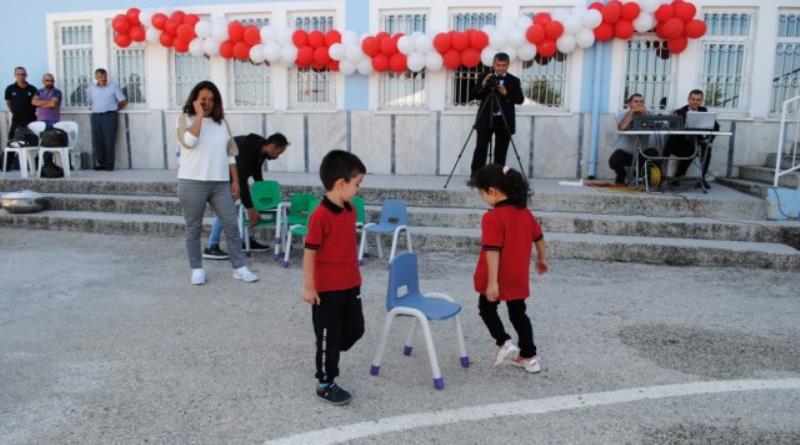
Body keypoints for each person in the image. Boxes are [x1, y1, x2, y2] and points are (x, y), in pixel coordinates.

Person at [468, 164, 549, 373]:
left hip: (495, 274)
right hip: (517, 274)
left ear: (492, 191)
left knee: (486, 309)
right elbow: (539, 239)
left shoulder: (492, 217)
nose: (483, 197)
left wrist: (493, 282)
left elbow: (492, 250)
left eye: (482, 193)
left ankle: (504, 342)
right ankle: (530, 357)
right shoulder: (526, 214)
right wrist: (541, 259)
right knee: (518, 314)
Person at [176, 80, 258, 285]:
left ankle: (239, 267)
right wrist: (199, 118)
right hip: (192, 181)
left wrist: (236, 181)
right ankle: (197, 268)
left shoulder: (222, 123)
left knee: (231, 223)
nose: (207, 103)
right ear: (195, 99)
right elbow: (190, 141)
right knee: (193, 227)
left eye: (212, 100)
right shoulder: (185, 119)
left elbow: (231, 153)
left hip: (220, 183)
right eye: (203, 99)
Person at [302, 149, 366, 405]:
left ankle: (329, 351)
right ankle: (325, 383)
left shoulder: (350, 210)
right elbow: (309, 253)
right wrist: (309, 287)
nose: (359, 189)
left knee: (356, 329)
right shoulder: (320, 215)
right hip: (327, 289)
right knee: (328, 336)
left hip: (351, 283)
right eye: (357, 184)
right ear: (341, 184)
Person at [203, 132, 290, 260]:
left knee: (249, 204)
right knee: (225, 209)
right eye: (279, 152)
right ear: (273, 146)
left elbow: (256, 170)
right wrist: (250, 207)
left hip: (235, 177)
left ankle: (247, 241)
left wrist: (261, 191)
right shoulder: (245, 151)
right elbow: (241, 181)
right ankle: (212, 246)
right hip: (221, 176)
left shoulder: (260, 149)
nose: (278, 156)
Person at [470, 52, 524, 176]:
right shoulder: (485, 77)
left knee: (501, 150)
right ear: (493, 65)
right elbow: (474, 94)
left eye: (504, 65)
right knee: (481, 148)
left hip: (504, 121)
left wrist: (506, 93)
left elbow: (520, 99)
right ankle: (476, 176)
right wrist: (483, 84)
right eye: (498, 65)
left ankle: (497, 177)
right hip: (485, 119)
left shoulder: (514, 80)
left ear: (508, 65)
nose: (501, 68)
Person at [662, 89, 720, 188]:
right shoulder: (679, 112)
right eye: (693, 99)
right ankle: (677, 177)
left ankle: (702, 178)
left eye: (698, 100)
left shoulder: (704, 111)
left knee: (707, 149)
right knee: (689, 151)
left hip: (697, 141)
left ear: (701, 101)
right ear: (688, 100)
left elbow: (715, 126)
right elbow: (674, 130)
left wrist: (707, 139)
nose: (695, 102)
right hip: (680, 142)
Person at [608, 93, 660, 185]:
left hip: (642, 152)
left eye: (641, 102)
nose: (639, 104)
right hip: (626, 152)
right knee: (613, 161)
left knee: (655, 154)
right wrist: (631, 113)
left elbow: (654, 127)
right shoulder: (623, 114)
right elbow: (622, 127)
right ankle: (621, 174)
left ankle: (643, 176)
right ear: (630, 104)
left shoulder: (649, 114)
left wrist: (645, 115)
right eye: (636, 102)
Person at [88, 68, 127, 171]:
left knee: (109, 140)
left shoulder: (112, 87)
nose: (103, 78)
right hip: (96, 116)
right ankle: (101, 163)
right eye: (101, 76)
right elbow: (89, 102)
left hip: (109, 116)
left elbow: (123, 101)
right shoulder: (91, 89)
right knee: (98, 141)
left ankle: (109, 164)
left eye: (105, 76)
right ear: (96, 77)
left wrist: (114, 109)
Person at [4, 66, 38, 169]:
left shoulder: (32, 89)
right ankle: (6, 167)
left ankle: (35, 165)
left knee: (33, 141)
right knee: (12, 141)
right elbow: (8, 103)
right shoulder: (10, 89)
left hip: (31, 119)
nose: (21, 76)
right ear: (15, 75)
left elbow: (36, 103)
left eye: (23, 74)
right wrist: (16, 112)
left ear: (26, 75)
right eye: (18, 74)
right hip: (17, 120)